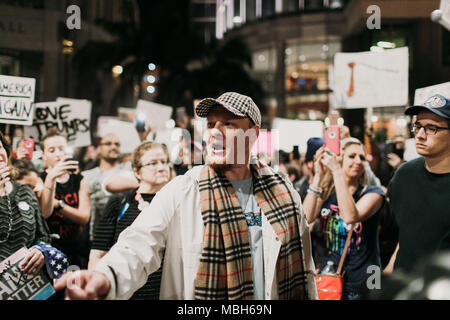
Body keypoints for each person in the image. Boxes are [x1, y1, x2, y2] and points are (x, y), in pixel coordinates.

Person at [55, 92, 317, 300]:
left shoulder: (282, 190)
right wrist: (105, 278)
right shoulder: (183, 189)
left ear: (253, 134)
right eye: (211, 124)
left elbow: (304, 267)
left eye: (228, 124)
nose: (215, 132)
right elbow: (138, 245)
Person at [302, 137, 385, 300]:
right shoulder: (327, 194)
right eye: (352, 156)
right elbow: (305, 218)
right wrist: (318, 175)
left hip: (366, 279)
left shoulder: (374, 193)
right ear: (340, 158)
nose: (358, 161)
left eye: (362, 157)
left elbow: (350, 216)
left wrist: (337, 171)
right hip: (330, 278)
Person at [88, 141, 172, 300]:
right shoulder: (119, 203)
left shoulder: (176, 203)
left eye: (164, 162)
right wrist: (95, 288)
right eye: (153, 163)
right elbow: (98, 253)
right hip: (125, 292)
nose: (161, 167)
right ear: (137, 172)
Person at [385, 94, 450, 274]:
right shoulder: (403, 175)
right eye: (418, 126)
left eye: (431, 128)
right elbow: (406, 237)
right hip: (404, 284)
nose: (420, 135)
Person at [0, 132, 51, 278]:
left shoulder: (24, 191)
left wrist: (40, 251)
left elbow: (44, 236)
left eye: (0, 147)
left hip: (22, 284)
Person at [40, 128, 91, 268]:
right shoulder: (40, 179)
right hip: (50, 249)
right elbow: (45, 212)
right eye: (51, 150)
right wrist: (51, 178)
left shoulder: (79, 179)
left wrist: (59, 204)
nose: (58, 154)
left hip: (76, 247)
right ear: (43, 155)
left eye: (62, 148)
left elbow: (84, 217)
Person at [82, 133, 132, 243]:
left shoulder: (129, 171)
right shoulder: (86, 176)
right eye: (108, 144)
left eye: (117, 144)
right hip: (96, 236)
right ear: (99, 149)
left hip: (125, 236)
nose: (113, 147)